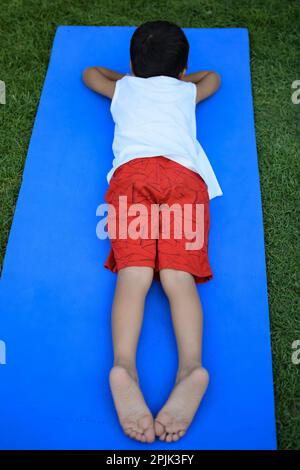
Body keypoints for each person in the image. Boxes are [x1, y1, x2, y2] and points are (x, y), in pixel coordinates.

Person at [82, 20, 222, 444]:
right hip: (184, 178)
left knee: (135, 274)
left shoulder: (124, 88)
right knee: (178, 278)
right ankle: (191, 367)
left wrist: (130, 79)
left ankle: (123, 365)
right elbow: (212, 78)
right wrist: (177, 80)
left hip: (132, 176)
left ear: (130, 63)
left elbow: (90, 73)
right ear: (183, 71)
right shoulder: (186, 90)